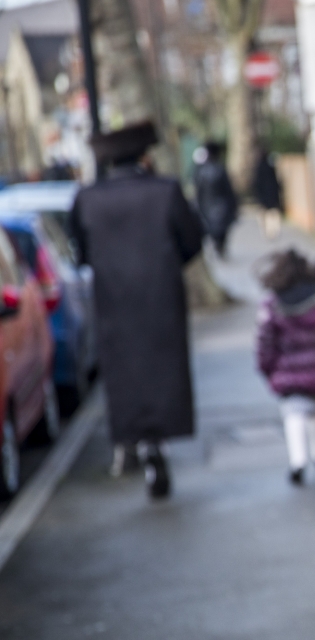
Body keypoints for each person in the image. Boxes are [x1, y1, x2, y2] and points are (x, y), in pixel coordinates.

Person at [69, 120, 204, 499]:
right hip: (161, 296)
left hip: (114, 300)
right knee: (164, 369)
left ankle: (138, 444)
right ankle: (158, 441)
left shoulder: (88, 198)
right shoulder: (166, 190)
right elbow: (192, 241)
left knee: (125, 372)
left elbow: (79, 252)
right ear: (145, 157)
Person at [255, 249, 315, 485]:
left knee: (293, 414)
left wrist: (266, 366)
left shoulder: (272, 305)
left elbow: (265, 341)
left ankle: (298, 460)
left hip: (287, 370)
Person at [193, 141, 239, 258]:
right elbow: (228, 190)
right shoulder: (219, 169)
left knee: (213, 230)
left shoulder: (201, 171)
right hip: (220, 206)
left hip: (208, 206)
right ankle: (220, 246)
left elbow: (198, 191)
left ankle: (218, 246)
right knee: (221, 230)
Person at [252, 147, 284, 240]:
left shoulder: (258, 168)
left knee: (264, 214)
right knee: (273, 213)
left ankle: (267, 231)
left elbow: (256, 183)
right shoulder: (270, 167)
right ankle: (273, 230)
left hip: (264, 195)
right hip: (271, 194)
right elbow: (276, 181)